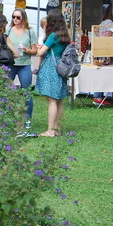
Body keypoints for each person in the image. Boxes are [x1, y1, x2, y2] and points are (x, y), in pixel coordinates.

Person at [35, 9, 71, 137]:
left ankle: (50, 130)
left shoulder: (53, 36)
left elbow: (41, 52)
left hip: (51, 68)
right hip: (61, 68)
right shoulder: (65, 35)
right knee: (59, 99)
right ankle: (56, 128)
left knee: (52, 100)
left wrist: (39, 47)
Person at [7, 8, 37, 123]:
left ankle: (27, 119)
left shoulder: (30, 31)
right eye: (13, 17)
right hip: (11, 64)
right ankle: (7, 117)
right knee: (6, 91)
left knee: (27, 93)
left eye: (18, 17)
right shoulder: (8, 30)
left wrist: (27, 50)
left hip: (24, 64)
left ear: (23, 18)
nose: (15, 19)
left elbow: (35, 50)